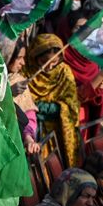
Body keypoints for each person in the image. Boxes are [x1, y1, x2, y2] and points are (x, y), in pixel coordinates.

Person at [24, 33, 83, 165]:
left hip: (57, 131)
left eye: (54, 63)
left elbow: (71, 105)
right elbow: (20, 103)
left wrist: (40, 107)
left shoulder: (64, 72)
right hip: (29, 131)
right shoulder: (25, 71)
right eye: (44, 62)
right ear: (34, 57)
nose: (49, 67)